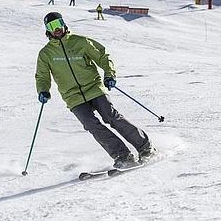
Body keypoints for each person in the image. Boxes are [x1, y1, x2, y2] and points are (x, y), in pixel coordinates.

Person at [35, 12, 155, 168]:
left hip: (94, 88)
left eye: (58, 24)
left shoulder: (81, 42)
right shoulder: (46, 54)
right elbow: (42, 76)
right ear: (47, 30)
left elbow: (103, 56)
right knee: (92, 125)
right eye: (51, 26)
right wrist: (43, 90)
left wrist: (109, 74)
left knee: (111, 117)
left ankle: (145, 147)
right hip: (72, 96)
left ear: (63, 23)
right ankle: (122, 155)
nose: (56, 28)